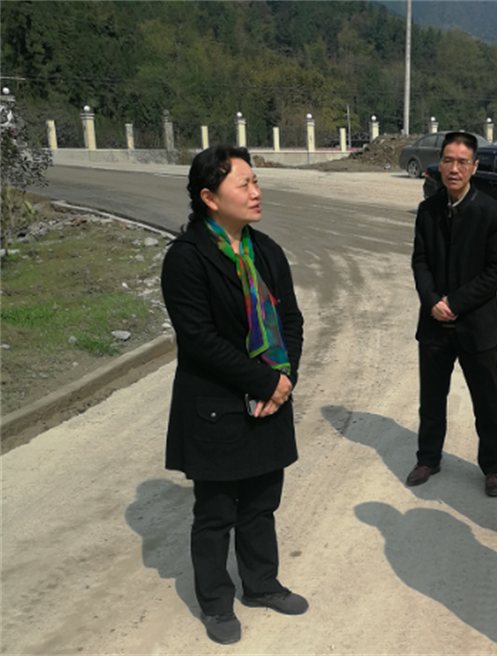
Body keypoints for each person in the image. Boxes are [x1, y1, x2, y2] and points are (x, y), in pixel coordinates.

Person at [161, 145, 308, 645]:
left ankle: (262, 584)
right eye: (243, 184)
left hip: (271, 399)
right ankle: (216, 603)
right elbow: (199, 340)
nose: (255, 191)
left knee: (262, 503)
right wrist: (265, 382)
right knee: (216, 511)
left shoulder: (265, 251)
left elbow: (290, 320)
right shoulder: (187, 258)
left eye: (255, 181)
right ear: (209, 197)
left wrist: (284, 379)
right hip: (216, 406)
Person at [408, 131, 497, 496]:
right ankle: (428, 458)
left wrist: (455, 303)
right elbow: (420, 261)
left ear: (474, 167)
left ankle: (493, 467)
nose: (454, 168)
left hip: (476, 325)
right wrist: (432, 301)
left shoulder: (492, 213)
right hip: (434, 323)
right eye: (448, 160)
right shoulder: (428, 210)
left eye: (462, 162)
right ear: (440, 163)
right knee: (432, 399)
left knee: (487, 401)